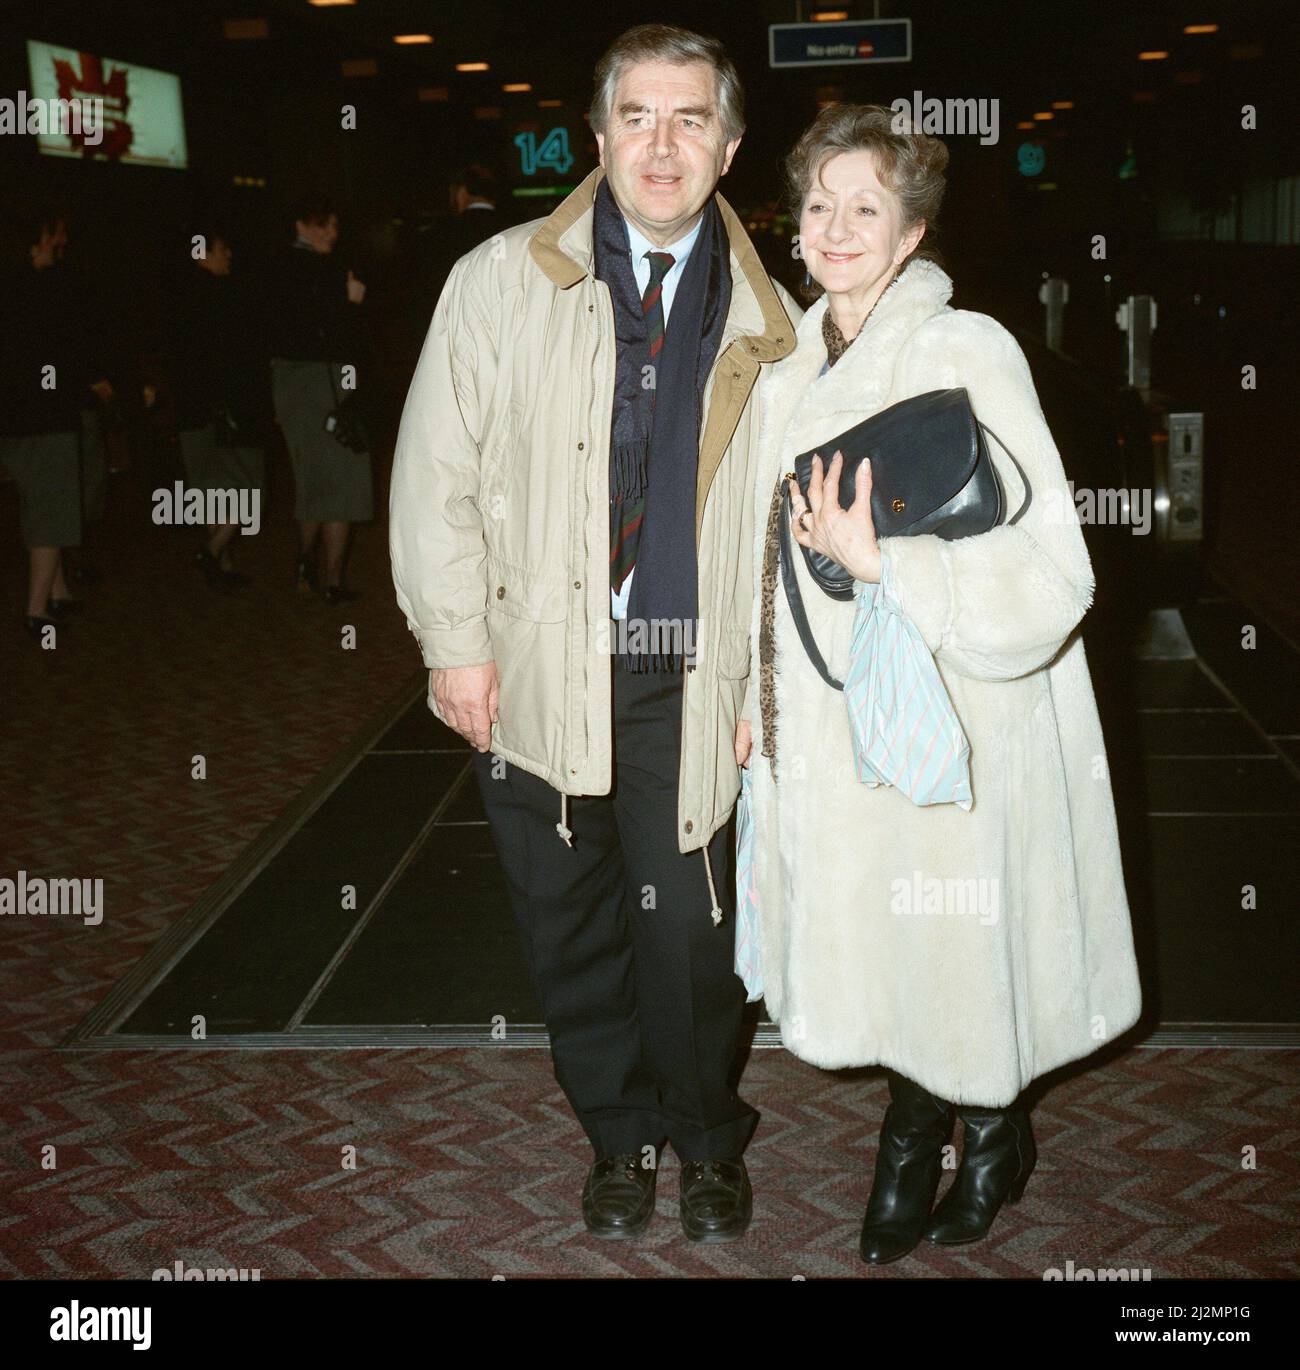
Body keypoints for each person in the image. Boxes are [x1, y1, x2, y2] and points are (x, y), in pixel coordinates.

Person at [390, 23, 800, 1242]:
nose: (660, 144)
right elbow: (432, 478)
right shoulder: (499, 280)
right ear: (599, 134)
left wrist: (762, 683)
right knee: (566, 928)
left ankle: (708, 1135)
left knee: (691, 940)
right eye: (637, 116)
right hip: (536, 666)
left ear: (729, 146)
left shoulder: (778, 326)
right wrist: (453, 642)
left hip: (695, 673)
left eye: (689, 120)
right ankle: (619, 1137)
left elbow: (797, 533)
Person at [738, 103, 1143, 1263]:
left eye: (867, 205)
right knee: (901, 944)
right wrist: (747, 709)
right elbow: (760, 567)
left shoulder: (967, 348)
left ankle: (945, 1136)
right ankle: (964, 1125)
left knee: (953, 945)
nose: (836, 226)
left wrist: (890, 564)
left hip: (961, 713)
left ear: (912, 232)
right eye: (818, 204)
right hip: (831, 717)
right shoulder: (786, 365)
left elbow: (1055, 571)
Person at [0, 205, 115, 642]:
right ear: (39, 238)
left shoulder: (10, 284)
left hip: (13, 417)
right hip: (45, 416)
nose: (62, 243)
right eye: (56, 235)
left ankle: (58, 590)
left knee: (36, 502)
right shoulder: (46, 288)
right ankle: (36, 608)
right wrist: (90, 385)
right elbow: (63, 351)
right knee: (49, 510)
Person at [149, 227, 269, 590]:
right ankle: (211, 549)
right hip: (225, 409)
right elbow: (240, 356)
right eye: (222, 248)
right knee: (248, 489)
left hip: (191, 410)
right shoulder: (224, 296)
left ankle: (222, 565)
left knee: (212, 492)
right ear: (202, 252)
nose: (228, 254)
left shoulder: (174, 298)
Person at [268, 197, 371, 603]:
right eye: (324, 225)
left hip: (291, 384)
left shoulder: (273, 268)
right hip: (324, 380)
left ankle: (305, 562)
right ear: (302, 225)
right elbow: (342, 334)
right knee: (343, 481)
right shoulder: (324, 271)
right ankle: (331, 580)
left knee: (311, 481)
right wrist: (352, 303)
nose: (333, 232)